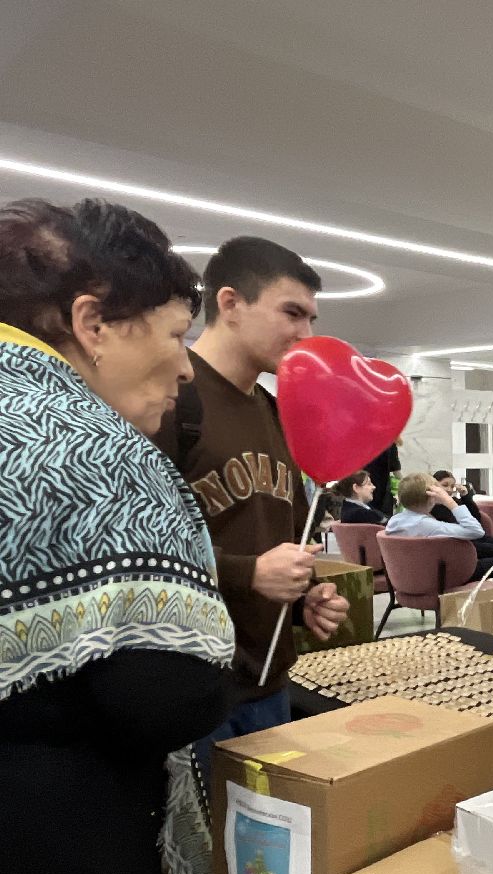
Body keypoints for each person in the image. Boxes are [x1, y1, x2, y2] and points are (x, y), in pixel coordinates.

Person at [0, 198, 236, 874]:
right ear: (92, 322)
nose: (185, 366)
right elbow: (163, 695)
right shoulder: (90, 449)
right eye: (174, 334)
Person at [154, 237, 349, 764]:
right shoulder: (167, 401)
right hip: (194, 687)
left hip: (269, 682)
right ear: (230, 303)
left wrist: (304, 598)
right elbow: (134, 557)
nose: (306, 335)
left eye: (311, 318)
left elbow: (279, 535)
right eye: (292, 313)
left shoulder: (276, 411)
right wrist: (249, 575)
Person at [386, 473, 493, 582]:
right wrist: (449, 501)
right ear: (431, 496)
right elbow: (476, 531)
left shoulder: (395, 521)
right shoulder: (426, 525)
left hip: (415, 576)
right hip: (444, 577)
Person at [365, 440, 403, 516]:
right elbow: (396, 472)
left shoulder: (358, 442)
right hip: (382, 494)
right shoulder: (389, 442)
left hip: (361, 490)